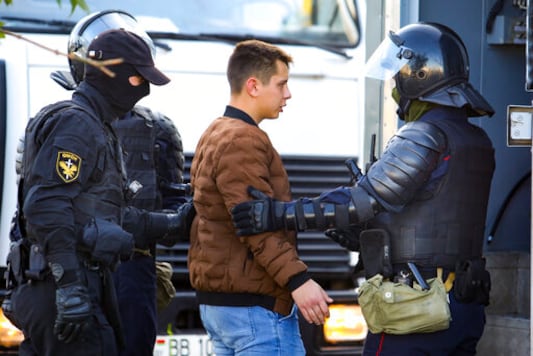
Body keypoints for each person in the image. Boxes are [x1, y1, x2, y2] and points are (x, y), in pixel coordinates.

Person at [230, 22, 495, 355]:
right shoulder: (477, 140)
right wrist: (350, 229)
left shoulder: (423, 134)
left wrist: (278, 214)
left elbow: (359, 202)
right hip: (464, 305)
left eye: (398, 73)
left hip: (416, 308)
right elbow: (431, 211)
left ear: (419, 73)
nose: (394, 84)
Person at [5, 28, 173, 356]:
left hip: (71, 285)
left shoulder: (95, 124)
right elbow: (45, 207)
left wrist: (169, 223)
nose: (146, 90)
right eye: (140, 79)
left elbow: (99, 212)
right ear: (113, 75)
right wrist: (70, 287)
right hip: (62, 288)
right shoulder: (77, 124)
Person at [50, 10, 192, 356]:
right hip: (76, 266)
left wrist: (174, 223)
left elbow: (174, 200)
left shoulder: (158, 129)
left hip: (134, 267)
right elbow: (39, 210)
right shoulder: (61, 125)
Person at [187, 39, 332, 355]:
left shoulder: (215, 131)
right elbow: (255, 224)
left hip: (222, 307)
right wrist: (299, 281)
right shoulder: (243, 139)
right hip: (256, 312)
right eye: (282, 85)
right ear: (253, 86)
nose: (288, 94)